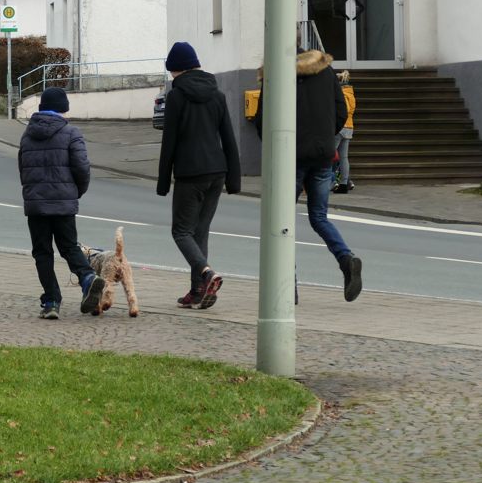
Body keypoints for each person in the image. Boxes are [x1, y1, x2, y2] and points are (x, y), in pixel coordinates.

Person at [253, 49, 363, 302]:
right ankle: (346, 260)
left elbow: (262, 120)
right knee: (319, 217)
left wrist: (274, 147)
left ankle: (287, 285)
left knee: (281, 221)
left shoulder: (277, 71)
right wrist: (325, 137)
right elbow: (341, 111)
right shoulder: (325, 69)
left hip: (291, 155)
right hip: (323, 155)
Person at [155, 41, 241, 310]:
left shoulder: (177, 96)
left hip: (190, 173)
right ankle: (198, 291)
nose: (172, 77)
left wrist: (162, 182)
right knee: (200, 232)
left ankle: (206, 274)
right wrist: (234, 179)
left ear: (178, 69)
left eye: (172, 72)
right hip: (217, 171)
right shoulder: (217, 94)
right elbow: (228, 137)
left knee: (181, 232)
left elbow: (169, 141)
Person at [18, 87, 106, 320]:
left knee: (42, 252)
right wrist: (76, 192)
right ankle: (87, 278)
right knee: (69, 247)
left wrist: (32, 194)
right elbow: (82, 168)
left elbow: (23, 170)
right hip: (64, 202)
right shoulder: (71, 133)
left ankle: (51, 301)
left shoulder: (27, 135)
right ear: (63, 108)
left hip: (36, 203)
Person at [333, 70, 356, 194]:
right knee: (343, 157)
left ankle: (331, 181)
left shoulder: (342, 94)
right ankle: (344, 182)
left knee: (329, 154)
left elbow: (343, 110)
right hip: (349, 127)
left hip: (340, 127)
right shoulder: (350, 93)